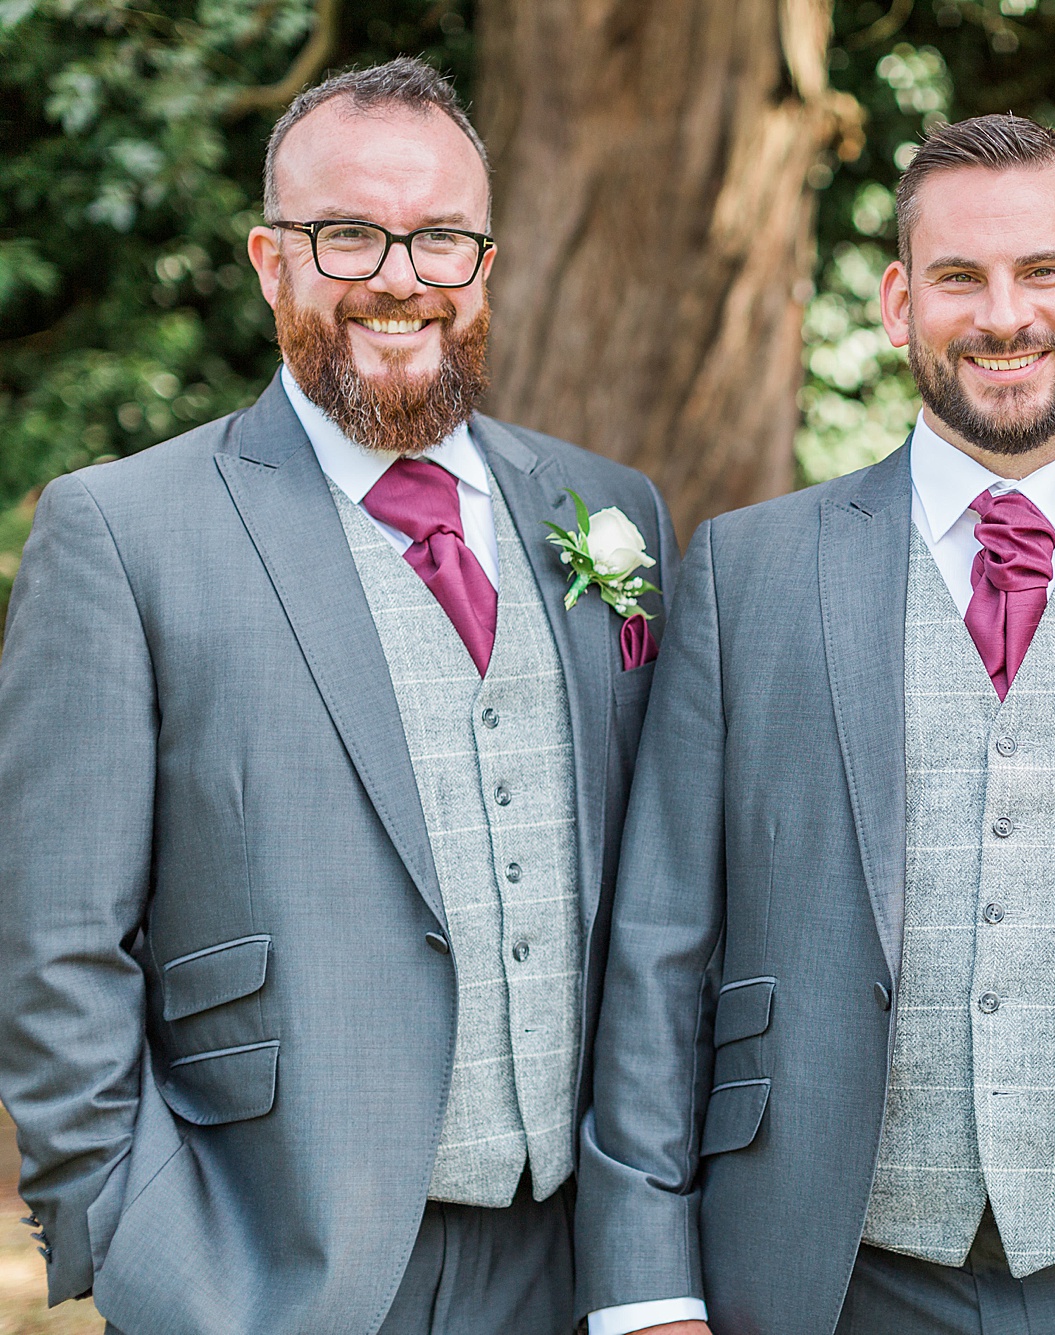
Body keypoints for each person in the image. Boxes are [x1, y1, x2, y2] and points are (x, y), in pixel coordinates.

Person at [576, 114, 1055, 1335]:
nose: (1002, 315)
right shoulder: (748, 573)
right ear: (895, 300)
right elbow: (661, 947)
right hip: (831, 1270)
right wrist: (649, 1286)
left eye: (1043, 271)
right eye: (958, 277)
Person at [0, 57, 673, 1335]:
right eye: (350, 235)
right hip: (276, 1267)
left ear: (486, 259)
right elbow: (53, 950)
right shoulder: (123, 532)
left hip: (585, 1263)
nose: (402, 277)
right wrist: (143, 1255)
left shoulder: (608, 513)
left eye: (441, 239)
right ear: (270, 261)